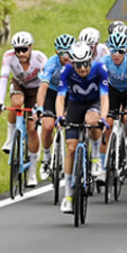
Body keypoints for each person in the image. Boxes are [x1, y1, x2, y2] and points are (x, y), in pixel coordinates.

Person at [55, 42, 110, 214]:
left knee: (92, 120)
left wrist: (103, 118)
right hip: (75, 105)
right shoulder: (67, 72)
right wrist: (59, 117)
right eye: (79, 65)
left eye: (86, 63)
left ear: (90, 60)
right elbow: (60, 97)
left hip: (93, 103)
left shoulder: (100, 69)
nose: (83, 68)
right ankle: (68, 196)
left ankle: (95, 159)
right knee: (71, 148)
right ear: (72, 63)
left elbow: (105, 97)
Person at [0, 31, 48, 188]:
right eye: (17, 50)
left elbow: (45, 84)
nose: (20, 53)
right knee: (16, 103)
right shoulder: (9, 56)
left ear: (31, 47)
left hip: (36, 91)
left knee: (32, 129)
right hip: (19, 86)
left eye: (24, 49)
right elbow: (3, 79)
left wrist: (40, 106)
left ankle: (31, 171)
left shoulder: (40, 59)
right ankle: (10, 139)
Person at [34, 34, 76, 179]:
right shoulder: (52, 63)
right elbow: (43, 87)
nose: (66, 56)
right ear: (56, 52)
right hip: (53, 93)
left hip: (71, 95)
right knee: (47, 126)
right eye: (62, 52)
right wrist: (40, 107)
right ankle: (46, 159)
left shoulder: (78, 62)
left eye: (69, 52)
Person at [100, 31, 127, 172]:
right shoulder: (104, 61)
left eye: (120, 51)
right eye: (113, 51)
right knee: (107, 124)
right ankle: (102, 165)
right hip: (113, 91)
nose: (116, 55)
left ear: (125, 51)